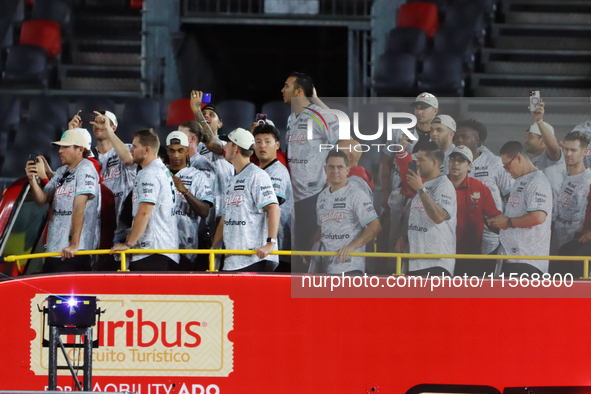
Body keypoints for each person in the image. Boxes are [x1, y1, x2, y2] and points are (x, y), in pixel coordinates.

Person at [282, 72, 339, 266]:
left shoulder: (320, 115)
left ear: (298, 91)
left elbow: (343, 144)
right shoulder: (291, 120)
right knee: (296, 256)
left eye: (286, 86)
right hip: (292, 197)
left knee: (311, 257)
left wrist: (331, 186)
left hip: (313, 195)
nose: (282, 90)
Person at [25, 129, 100, 273]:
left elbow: (80, 206)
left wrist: (74, 244)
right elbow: (42, 200)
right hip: (55, 248)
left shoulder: (86, 169)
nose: (60, 151)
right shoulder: (61, 171)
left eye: (65, 147)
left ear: (80, 149)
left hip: (75, 251)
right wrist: (32, 180)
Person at [211, 127, 281, 272]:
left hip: (254, 258)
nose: (224, 146)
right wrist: (214, 246)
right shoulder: (232, 179)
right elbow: (225, 216)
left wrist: (270, 243)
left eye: (228, 143)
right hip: (234, 259)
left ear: (235, 148)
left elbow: (274, 208)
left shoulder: (257, 175)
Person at [111, 129, 179, 271]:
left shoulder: (149, 173)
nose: (131, 150)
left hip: (151, 251)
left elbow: (144, 212)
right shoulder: (162, 170)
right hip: (163, 248)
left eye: (135, 146)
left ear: (146, 149)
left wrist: (128, 244)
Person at [69, 110, 137, 243]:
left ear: (113, 127)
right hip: (94, 230)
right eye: (95, 122)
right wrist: (73, 135)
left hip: (123, 229)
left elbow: (129, 160)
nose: (98, 125)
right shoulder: (87, 155)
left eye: (103, 121)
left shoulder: (126, 149)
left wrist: (107, 129)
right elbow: (70, 174)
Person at [311, 150, 381, 275]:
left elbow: (375, 226)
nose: (335, 171)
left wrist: (351, 247)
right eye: (331, 167)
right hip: (325, 265)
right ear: (325, 169)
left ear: (347, 170)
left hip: (349, 266)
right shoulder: (322, 196)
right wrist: (313, 252)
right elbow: (321, 228)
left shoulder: (357, 194)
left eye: (340, 167)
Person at [488, 141, 552, 275]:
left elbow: (538, 217)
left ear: (518, 158)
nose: (506, 170)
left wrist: (508, 222)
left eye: (507, 165)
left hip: (528, 260)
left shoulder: (538, 181)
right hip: (511, 256)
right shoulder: (519, 180)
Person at [395, 141, 457, 276]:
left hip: (437, 262)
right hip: (415, 260)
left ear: (434, 163)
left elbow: (439, 217)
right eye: (416, 159)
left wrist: (421, 190)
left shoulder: (444, 184)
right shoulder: (422, 185)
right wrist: (404, 237)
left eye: (421, 160)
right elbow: (419, 217)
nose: (417, 163)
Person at [454, 119, 514, 254]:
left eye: (464, 137)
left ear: (478, 141)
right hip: (459, 234)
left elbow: (511, 195)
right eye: (456, 137)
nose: (458, 140)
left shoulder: (494, 163)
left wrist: (508, 225)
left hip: (490, 236)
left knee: (485, 273)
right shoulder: (450, 162)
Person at [447, 145, 501, 276]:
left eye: (461, 160)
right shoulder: (439, 185)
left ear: (469, 166)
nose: (456, 163)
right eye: (453, 159)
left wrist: (512, 227)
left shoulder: (479, 188)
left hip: (470, 254)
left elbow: (494, 217)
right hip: (442, 252)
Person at [166, 131, 214, 270]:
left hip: (186, 245)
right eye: (172, 151)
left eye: (180, 150)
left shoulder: (197, 176)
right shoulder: (159, 173)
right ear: (166, 151)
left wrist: (185, 191)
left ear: (187, 151)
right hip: (162, 244)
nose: (176, 155)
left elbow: (205, 211)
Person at [253, 124, 292, 271]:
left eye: (267, 141)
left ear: (277, 145)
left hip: (277, 245)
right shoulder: (256, 171)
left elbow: (270, 205)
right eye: (258, 141)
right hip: (260, 244)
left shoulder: (277, 171)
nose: (262, 145)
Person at [550, 131, 591, 255]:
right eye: (566, 149)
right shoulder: (556, 176)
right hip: (551, 243)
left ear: (585, 151)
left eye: (573, 150)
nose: (568, 154)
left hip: (575, 246)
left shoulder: (588, 180)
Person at [524, 99, 565, 200]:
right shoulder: (533, 163)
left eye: (530, 136)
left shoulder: (551, 158)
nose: (525, 140)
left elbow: (554, 148)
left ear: (542, 141)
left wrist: (539, 121)